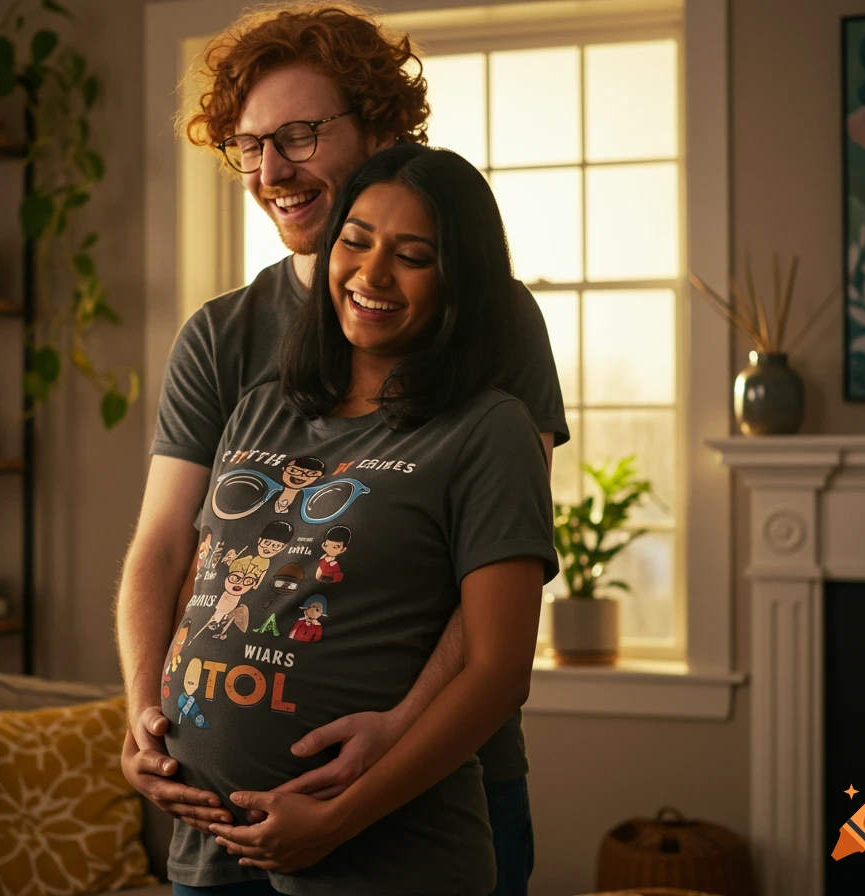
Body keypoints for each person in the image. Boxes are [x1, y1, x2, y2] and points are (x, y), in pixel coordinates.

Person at [116, 4, 568, 893]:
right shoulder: (225, 339)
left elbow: (490, 586)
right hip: (218, 827)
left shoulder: (492, 323)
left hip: (423, 790)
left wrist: (396, 733)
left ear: (385, 131)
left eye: (299, 135)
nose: (271, 169)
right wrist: (145, 714)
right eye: (250, 146)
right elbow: (168, 546)